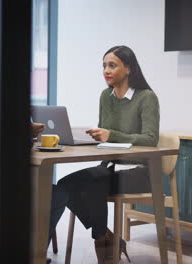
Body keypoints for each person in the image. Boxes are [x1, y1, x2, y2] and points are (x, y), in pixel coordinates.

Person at [49, 45, 160, 263]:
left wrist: (112, 135)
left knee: (93, 185)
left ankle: (102, 245)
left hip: (141, 173)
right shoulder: (105, 96)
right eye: (104, 66)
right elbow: (108, 139)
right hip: (109, 168)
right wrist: (90, 138)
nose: (106, 71)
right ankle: (107, 236)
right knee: (64, 185)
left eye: (112, 65)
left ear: (128, 68)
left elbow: (150, 139)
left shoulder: (147, 97)